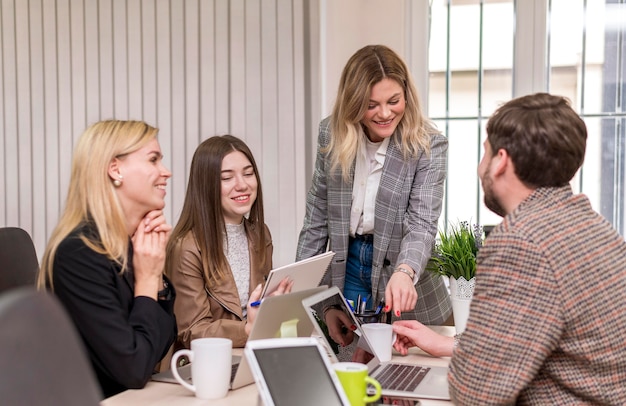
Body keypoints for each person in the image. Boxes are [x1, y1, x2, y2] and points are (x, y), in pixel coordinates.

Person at [392, 93, 626, 404]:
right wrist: (448, 344)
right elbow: (550, 345)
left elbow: (475, 392)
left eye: (485, 153)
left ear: (500, 161)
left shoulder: (520, 242)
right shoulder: (594, 226)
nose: (481, 167)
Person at [296, 44, 451, 324]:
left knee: (406, 364)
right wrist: (297, 289)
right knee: (350, 357)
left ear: (407, 95)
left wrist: (405, 272)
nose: (384, 113)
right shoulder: (330, 134)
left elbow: (422, 225)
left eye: (394, 101)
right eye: (371, 105)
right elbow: (316, 219)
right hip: (350, 266)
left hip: (406, 268)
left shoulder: (429, 145)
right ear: (354, 103)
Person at [36, 120, 177, 398]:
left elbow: (158, 345)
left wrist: (155, 276)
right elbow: (134, 368)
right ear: (115, 169)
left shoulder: (130, 244)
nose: (166, 172)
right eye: (153, 160)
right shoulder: (78, 254)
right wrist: (148, 278)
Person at [165, 135, 292, 351]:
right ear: (206, 186)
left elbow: (256, 307)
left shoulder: (260, 234)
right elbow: (193, 330)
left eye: (248, 173)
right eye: (227, 178)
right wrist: (247, 330)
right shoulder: (186, 247)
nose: (242, 185)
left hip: (253, 353)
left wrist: (275, 306)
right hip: (208, 362)